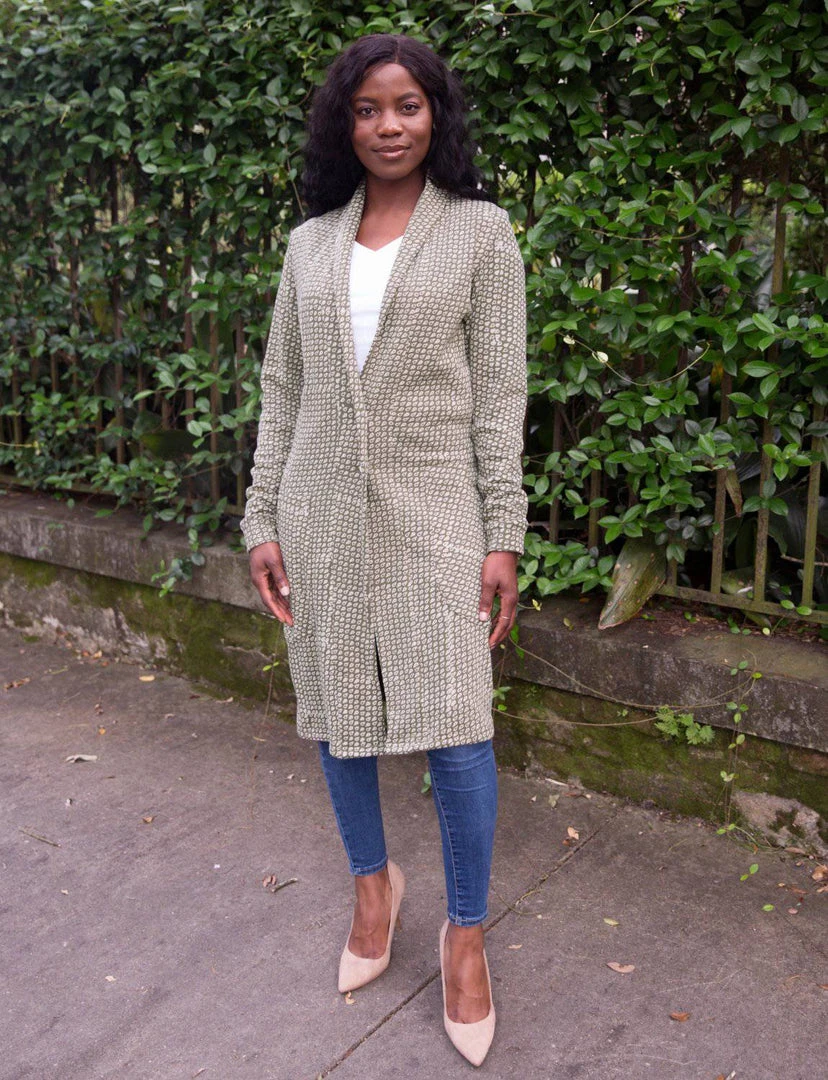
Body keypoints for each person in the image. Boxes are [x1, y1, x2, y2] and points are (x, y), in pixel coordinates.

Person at [240, 32, 527, 1067]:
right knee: (338, 712)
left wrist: (503, 531)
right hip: (317, 509)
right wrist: (261, 516)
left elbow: (500, 394)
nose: (389, 125)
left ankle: (464, 935)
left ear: (435, 114)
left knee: (458, 728)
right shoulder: (310, 244)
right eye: (368, 109)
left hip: (433, 511)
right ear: (345, 123)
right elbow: (284, 388)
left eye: (407, 105)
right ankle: (374, 888)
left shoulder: (481, 233)